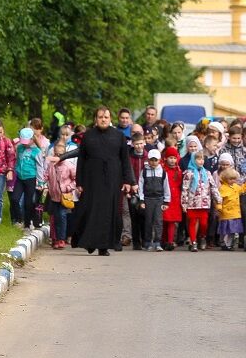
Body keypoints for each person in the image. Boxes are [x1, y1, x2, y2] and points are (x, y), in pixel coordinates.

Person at [50, 107, 136, 256]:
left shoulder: (118, 136)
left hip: (112, 181)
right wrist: (79, 183)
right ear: (96, 119)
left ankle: (103, 246)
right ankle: (89, 242)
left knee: (107, 214)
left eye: (106, 117)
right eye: (100, 117)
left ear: (110, 119)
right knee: (90, 211)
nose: (103, 119)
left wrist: (128, 180)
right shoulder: (88, 136)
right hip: (92, 181)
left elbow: (125, 160)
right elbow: (82, 160)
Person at [182, 152, 219, 252]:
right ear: (193, 160)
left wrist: (218, 198)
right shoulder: (189, 173)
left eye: (202, 159)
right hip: (192, 203)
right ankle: (193, 242)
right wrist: (184, 203)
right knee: (192, 223)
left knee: (203, 223)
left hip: (204, 203)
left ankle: (202, 237)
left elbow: (213, 186)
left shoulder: (207, 173)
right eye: (198, 159)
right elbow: (185, 189)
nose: (201, 161)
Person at [44, 141, 76, 249]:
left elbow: (76, 179)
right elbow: (47, 175)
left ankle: (62, 239)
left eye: (60, 154)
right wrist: (44, 183)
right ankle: (56, 239)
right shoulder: (51, 165)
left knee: (62, 216)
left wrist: (68, 188)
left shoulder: (69, 165)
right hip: (53, 196)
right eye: (56, 154)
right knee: (56, 217)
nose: (58, 156)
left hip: (64, 196)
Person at [13, 127, 44, 230]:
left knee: (28, 203)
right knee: (14, 199)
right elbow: (17, 160)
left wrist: (40, 182)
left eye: (27, 142)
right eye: (23, 142)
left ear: (32, 139)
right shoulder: (19, 148)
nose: (25, 144)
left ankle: (27, 224)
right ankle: (19, 220)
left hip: (31, 179)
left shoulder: (37, 151)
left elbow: (40, 167)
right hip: (20, 178)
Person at [216, 167, 246, 250]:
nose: (233, 181)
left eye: (234, 179)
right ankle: (223, 242)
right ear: (225, 179)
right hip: (226, 213)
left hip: (235, 213)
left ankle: (229, 244)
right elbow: (219, 199)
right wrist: (219, 207)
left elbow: (243, 189)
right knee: (225, 230)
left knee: (233, 230)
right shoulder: (222, 188)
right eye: (230, 179)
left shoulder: (236, 187)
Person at [139, 149, 166, 251]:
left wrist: (166, 201)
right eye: (151, 160)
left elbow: (166, 187)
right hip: (148, 199)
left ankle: (157, 242)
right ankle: (148, 242)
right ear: (148, 160)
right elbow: (140, 186)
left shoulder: (163, 172)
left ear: (159, 160)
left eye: (156, 160)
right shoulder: (144, 172)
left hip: (159, 199)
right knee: (148, 221)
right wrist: (141, 200)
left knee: (158, 221)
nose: (154, 162)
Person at [160, 147, 184, 250]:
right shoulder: (162, 170)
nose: (172, 160)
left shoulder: (178, 170)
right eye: (170, 158)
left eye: (174, 158)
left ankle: (170, 241)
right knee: (164, 220)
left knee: (172, 221)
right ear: (166, 158)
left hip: (175, 198)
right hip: (165, 198)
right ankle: (163, 240)